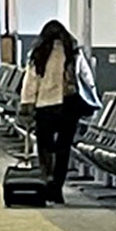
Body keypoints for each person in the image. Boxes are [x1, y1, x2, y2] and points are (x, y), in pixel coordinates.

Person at [20, 19, 88, 203]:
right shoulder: (73, 52)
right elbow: (85, 76)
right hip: (69, 105)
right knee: (63, 149)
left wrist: (27, 105)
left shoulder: (39, 53)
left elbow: (31, 82)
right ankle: (57, 188)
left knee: (45, 147)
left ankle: (47, 178)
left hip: (45, 106)